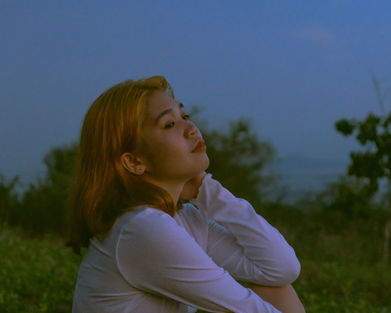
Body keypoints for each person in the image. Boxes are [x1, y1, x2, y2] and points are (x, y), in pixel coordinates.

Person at [67, 75, 305, 313]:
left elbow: (281, 268)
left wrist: (206, 189)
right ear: (134, 161)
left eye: (184, 117)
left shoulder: (183, 219)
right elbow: (245, 308)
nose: (191, 129)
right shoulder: (141, 228)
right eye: (169, 124)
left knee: (277, 289)